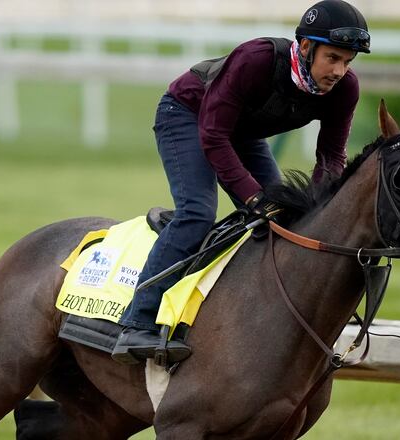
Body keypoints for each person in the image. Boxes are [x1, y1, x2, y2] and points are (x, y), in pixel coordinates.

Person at [111, 0, 371, 365]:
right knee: (199, 212)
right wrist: (253, 198)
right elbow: (213, 136)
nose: (340, 71)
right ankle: (137, 322)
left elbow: (330, 157)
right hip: (187, 115)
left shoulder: (345, 89)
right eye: (333, 58)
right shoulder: (257, 59)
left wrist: (317, 210)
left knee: (286, 223)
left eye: (347, 61)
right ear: (306, 46)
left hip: (242, 134)